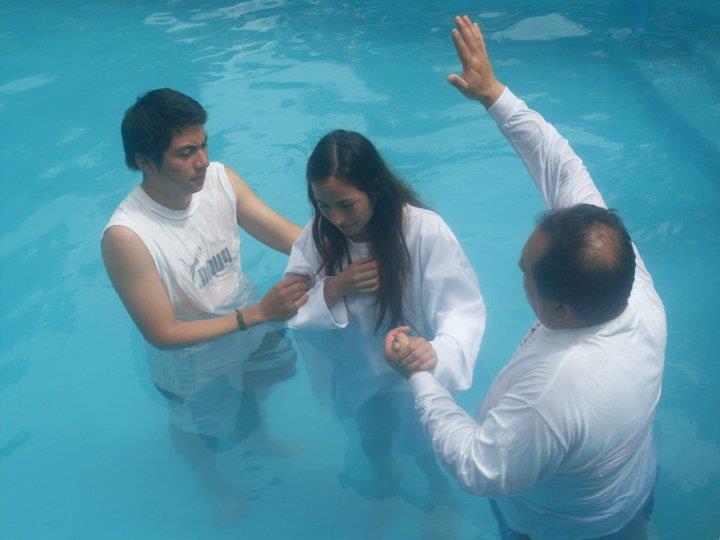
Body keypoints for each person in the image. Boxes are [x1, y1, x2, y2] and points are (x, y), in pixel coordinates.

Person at [385, 16, 666, 539]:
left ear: (559, 310)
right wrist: (494, 95)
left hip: (561, 527)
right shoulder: (629, 283)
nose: (519, 272)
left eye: (525, 274)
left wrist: (419, 378)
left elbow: (479, 468)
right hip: (631, 489)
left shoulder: (554, 393)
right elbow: (561, 166)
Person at [101, 88, 309, 511]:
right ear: (145, 162)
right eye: (185, 153)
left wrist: (347, 253)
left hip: (252, 324)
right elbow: (162, 333)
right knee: (198, 429)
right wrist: (257, 314)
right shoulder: (127, 236)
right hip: (193, 361)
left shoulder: (220, 180)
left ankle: (258, 436)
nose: (202, 161)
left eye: (203, 145)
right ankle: (210, 482)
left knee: (260, 385)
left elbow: (290, 237)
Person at [283, 129, 486, 506]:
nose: (336, 218)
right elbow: (290, 307)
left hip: (410, 369)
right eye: (323, 205)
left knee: (423, 446)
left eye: (346, 204)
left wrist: (436, 350)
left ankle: (441, 498)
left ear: (374, 188)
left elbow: (462, 308)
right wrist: (334, 288)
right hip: (358, 370)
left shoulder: (423, 231)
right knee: (371, 437)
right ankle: (386, 485)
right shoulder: (318, 236)